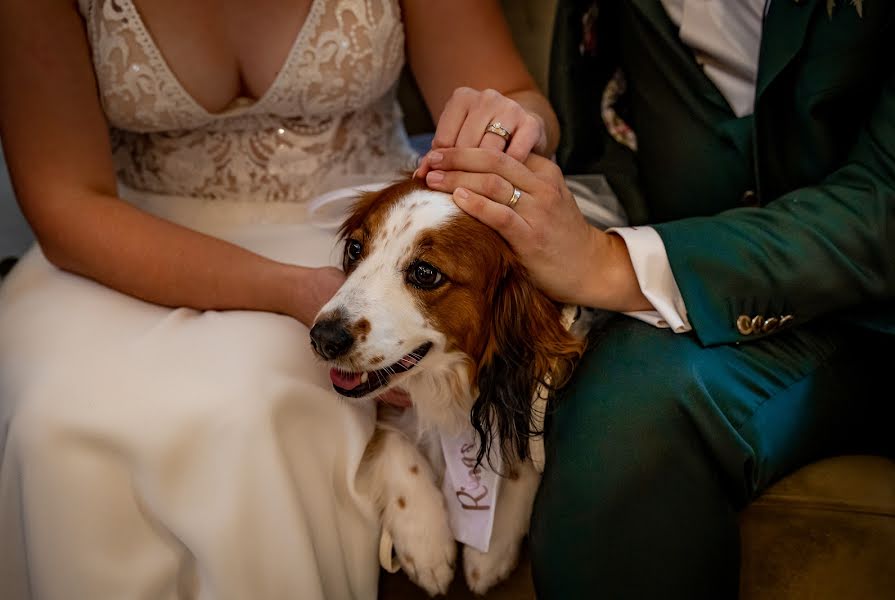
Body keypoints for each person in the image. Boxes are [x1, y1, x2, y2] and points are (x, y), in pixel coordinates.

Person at [0, 1, 560, 598]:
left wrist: (513, 124)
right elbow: (66, 208)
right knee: (56, 423)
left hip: (355, 230)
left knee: (252, 410)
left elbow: (518, 98)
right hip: (117, 245)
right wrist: (295, 290)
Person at [418, 0, 895, 597]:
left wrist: (605, 261)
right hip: (695, 317)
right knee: (619, 407)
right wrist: (524, 146)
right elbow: (612, 145)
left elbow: (889, 205)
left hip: (879, 320)